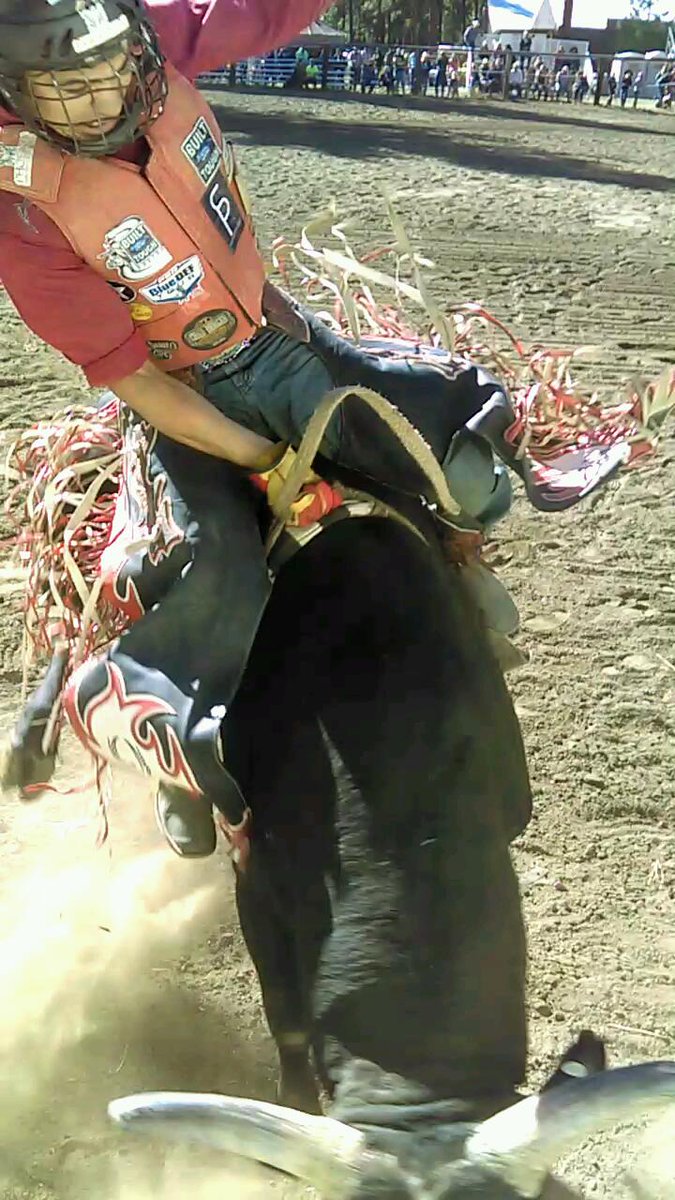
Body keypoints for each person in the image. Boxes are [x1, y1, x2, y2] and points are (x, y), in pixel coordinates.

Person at [0, 0, 513, 858]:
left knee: (452, 445)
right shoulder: (23, 215)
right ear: (17, 90)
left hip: (279, 341)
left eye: (111, 74)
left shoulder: (157, 42)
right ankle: (166, 748)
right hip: (180, 398)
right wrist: (266, 460)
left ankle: (457, 560)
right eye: (69, 90)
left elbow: (265, 9)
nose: (104, 100)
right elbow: (134, 379)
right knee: (216, 564)